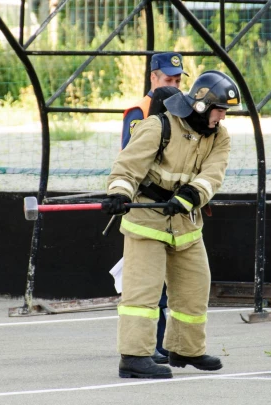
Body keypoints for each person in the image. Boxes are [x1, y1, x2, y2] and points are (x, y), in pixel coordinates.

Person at [103, 70, 241, 379]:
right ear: (203, 104)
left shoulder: (220, 136)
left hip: (185, 223)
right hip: (146, 220)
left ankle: (185, 349)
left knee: (194, 287)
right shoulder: (158, 126)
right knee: (142, 294)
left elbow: (213, 174)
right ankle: (134, 358)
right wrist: (118, 194)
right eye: (219, 110)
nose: (222, 117)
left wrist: (191, 195)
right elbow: (126, 169)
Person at [116, 52, 188, 364]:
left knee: (178, 281)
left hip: (175, 208)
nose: (174, 84)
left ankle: (170, 346)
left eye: (178, 79)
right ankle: (149, 347)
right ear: (153, 78)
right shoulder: (140, 112)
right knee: (149, 286)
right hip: (148, 205)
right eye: (169, 79)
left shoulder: (183, 109)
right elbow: (132, 156)